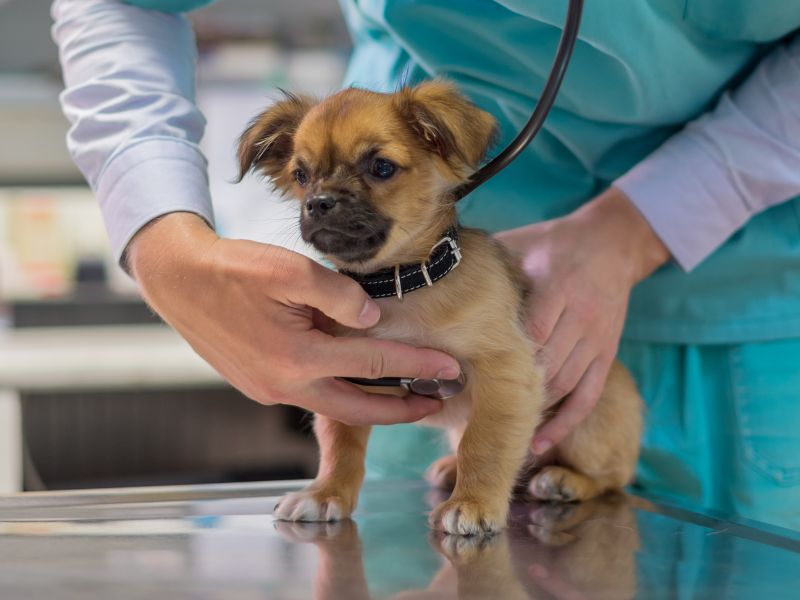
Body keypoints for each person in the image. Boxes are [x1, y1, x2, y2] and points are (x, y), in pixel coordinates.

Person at [52, 0, 800, 530]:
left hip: (739, 295)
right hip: (417, 362)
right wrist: (164, 243)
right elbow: (123, 5)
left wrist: (645, 222)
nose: (320, 199)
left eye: (376, 168)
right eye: (307, 179)